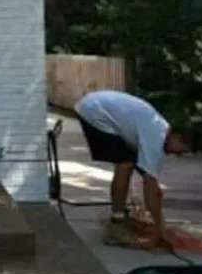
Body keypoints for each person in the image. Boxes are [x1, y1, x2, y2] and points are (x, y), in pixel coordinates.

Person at [74, 89, 190, 246]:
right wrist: (161, 229)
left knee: (131, 162)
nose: (177, 155)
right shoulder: (155, 137)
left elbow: (152, 186)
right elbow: (152, 191)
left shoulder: (158, 129)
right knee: (125, 164)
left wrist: (159, 221)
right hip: (95, 110)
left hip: (97, 104)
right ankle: (116, 225)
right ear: (178, 137)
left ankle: (120, 216)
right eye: (180, 150)